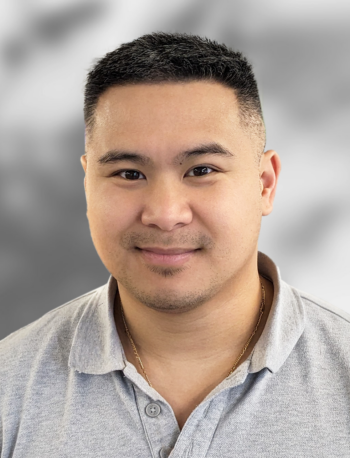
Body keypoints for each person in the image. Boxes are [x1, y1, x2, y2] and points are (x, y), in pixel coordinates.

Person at [0, 32, 349, 458]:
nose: (165, 214)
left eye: (201, 170)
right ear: (87, 185)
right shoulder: (9, 386)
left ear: (265, 184)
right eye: (129, 173)